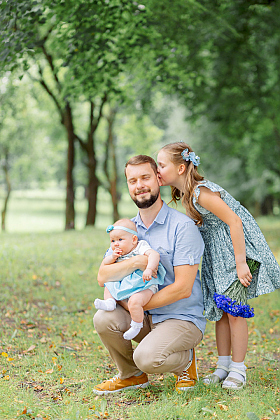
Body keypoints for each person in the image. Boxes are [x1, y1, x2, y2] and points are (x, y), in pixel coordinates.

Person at [157, 141, 280, 390]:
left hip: (235, 253)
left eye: (161, 165)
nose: (157, 170)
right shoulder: (185, 194)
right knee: (220, 312)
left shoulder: (201, 192)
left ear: (181, 168)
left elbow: (235, 221)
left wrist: (241, 263)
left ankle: (239, 368)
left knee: (234, 311)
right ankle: (223, 366)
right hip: (215, 256)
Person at [93, 155, 206, 395]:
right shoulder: (127, 230)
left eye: (145, 177)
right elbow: (103, 276)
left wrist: (134, 304)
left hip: (180, 318)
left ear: (158, 178)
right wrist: (135, 262)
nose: (139, 185)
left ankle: (186, 361)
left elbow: (183, 288)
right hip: (143, 317)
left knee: (146, 357)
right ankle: (131, 376)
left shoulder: (182, 227)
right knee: (103, 318)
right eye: (132, 181)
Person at [94, 218, 165, 340]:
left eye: (120, 240)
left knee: (134, 301)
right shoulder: (115, 251)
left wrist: (149, 268)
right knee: (109, 284)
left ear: (134, 239)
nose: (116, 244)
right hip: (126, 284)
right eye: (113, 240)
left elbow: (154, 255)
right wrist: (112, 257)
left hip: (144, 284)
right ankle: (110, 302)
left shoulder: (139, 247)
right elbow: (104, 269)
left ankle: (136, 325)